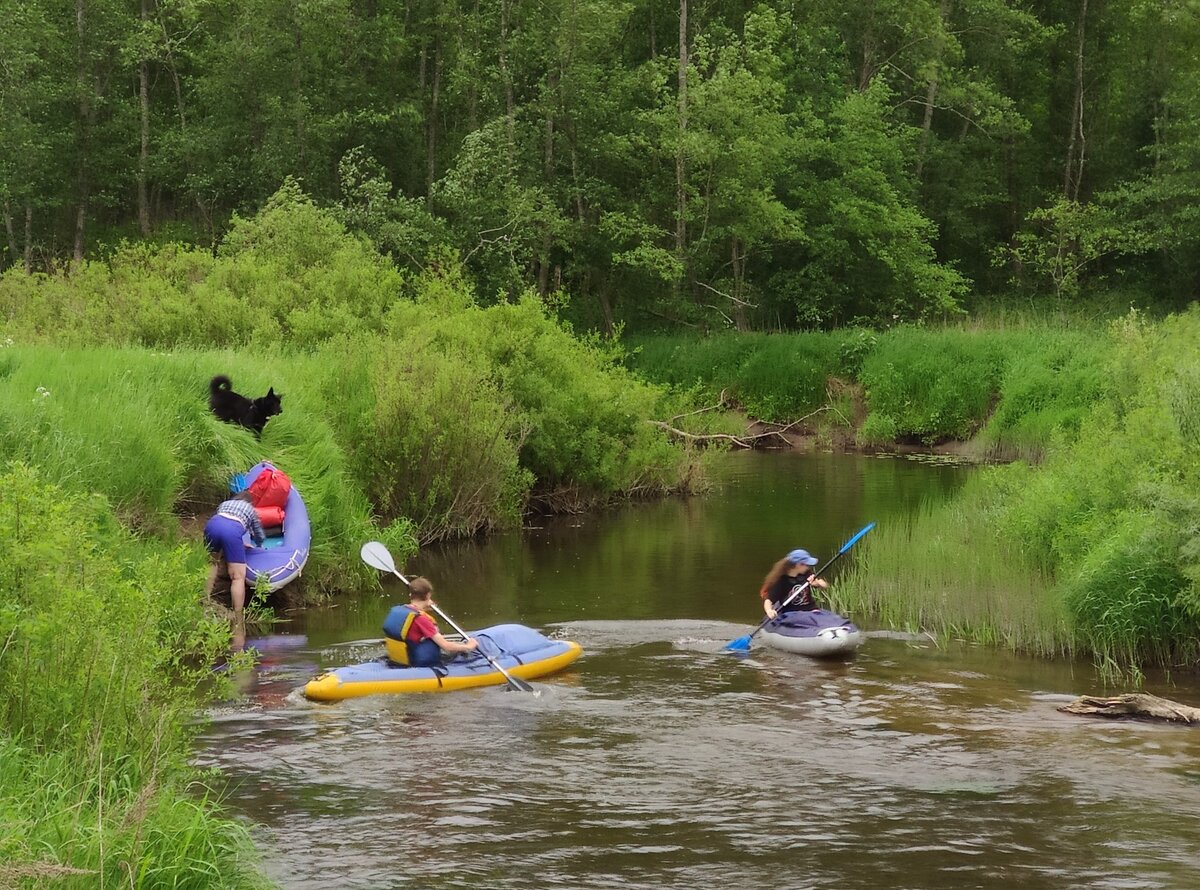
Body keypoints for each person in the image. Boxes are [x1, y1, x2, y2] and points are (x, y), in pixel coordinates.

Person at [203, 490, 265, 632]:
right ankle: (238, 615)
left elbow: (222, 525)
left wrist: (238, 544)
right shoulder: (250, 509)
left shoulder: (224, 504)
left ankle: (205, 599)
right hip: (231, 530)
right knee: (237, 577)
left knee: (212, 563)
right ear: (248, 501)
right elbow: (258, 534)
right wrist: (259, 545)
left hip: (212, 525)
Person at [383, 577, 479, 668]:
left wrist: (425, 606)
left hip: (399, 660)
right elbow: (446, 646)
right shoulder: (422, 619)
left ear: (411, 595)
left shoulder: (400, 610)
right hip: (418, 664)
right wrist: (468, 646)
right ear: (428, 595)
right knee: (458, 655)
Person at [760, 548, 829, 620]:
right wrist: (769, 611)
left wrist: (818, 583)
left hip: (811, 609)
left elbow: (825, 585)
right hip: (793, 613)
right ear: (798, 565)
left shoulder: (806, 573)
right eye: (807, 564)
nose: (808, 567)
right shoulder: (781, 581)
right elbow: (769, 600)